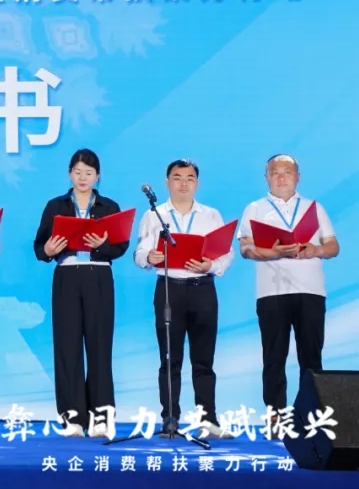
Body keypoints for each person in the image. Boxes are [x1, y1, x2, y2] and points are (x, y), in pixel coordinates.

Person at [132, 159, 233, 438]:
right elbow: (139, 253)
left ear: (197, 183)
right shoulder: (154, 215)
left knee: (204, 360)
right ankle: (170, 419)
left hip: (203, 289)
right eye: (177, 177)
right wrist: (149, 257)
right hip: (169, 290)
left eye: (190, 178)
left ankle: (208, 420)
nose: (184, 183)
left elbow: (226, 253)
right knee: (170, 360)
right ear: (167, 183)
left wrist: (211, 265)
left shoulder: (211, 215)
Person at [239, 155, 339, 432]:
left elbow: (333, 246)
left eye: (287, 171)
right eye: (274, 172)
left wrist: (316, 249)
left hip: (310, 290)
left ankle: (312, 418)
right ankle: (275, 418)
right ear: (266, 177)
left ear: (298, 176)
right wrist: (272, 252)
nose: (281, 176)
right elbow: (245, 248)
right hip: (271, 292)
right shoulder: (255, 208)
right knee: (274, 356)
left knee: (311, 356)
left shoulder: (314, 208)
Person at [33, 148, 129, 437]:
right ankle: (72, 418)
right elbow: (39, 247)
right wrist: (49, 249)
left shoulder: (109, 207)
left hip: (98, 276)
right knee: (67, 347)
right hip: (67, 275)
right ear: (69, 174)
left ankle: (101, 417)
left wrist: (101, 245)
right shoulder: (56, 206)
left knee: (100, 347)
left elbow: (120, 247)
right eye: (77, 172)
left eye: (89, 172)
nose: (83, 177)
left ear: (98, 176)